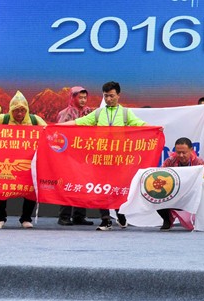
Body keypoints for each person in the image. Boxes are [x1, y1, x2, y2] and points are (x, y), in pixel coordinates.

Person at [61, 81, 147, 231]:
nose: (108, 99)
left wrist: (157, 128)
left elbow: (141, 125)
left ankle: (120, 212)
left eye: (111, 96)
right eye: (106, 96)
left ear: (118, 95)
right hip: (100, 158)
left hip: (119, 159)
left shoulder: (125, 113)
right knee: (101, 189)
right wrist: (55, 126)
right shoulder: (98, 113)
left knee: (117, 189)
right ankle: (105, 219)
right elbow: (78, 122)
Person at [0, 91, 47, 229]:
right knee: (1, 188)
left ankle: (26, 218)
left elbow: (48, 131)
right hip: (5, 161)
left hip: (28, 162)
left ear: (27, 110)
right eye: (16, 110)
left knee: (30, 189)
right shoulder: (3, 119)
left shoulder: (35, 120)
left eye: (22, 110)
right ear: (11, 110)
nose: (19, 113)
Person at [55, 86, 95, 226]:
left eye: (85, 97)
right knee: (68, 184)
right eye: (80, 97)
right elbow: (59, 134)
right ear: (73, 98)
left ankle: (79, 216)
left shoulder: (90, 112)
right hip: (69, 154)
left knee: (82, 184)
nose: (83, 100)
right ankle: (64, 216)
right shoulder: (65, 113)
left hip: (84, 153)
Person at [159, 137, 204, 231]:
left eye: (184, 152)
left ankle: (199, 221)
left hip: (192, 195)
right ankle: (167, 219)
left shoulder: (199, 162)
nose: (181, 155)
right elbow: (160, 175)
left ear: (191, 150)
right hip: (174, 194)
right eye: (178, 152)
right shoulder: (170, 160)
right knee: (157, 194)